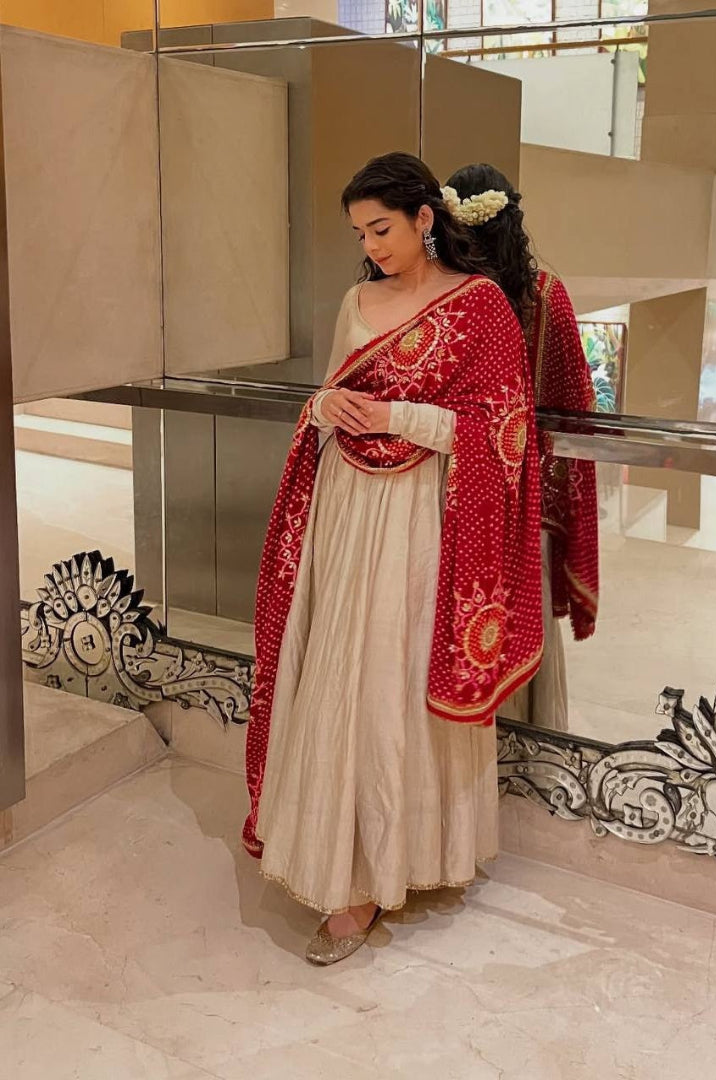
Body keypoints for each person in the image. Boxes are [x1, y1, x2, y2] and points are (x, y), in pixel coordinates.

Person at [243, 152, 543, 966]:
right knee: (341, 671)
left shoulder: (480, 309)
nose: (371, 245)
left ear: (424, 218)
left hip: (422, 519)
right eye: (360, 233)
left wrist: (398, 414)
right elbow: (336, 396)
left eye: (382, 227)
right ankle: (334, 859)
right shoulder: (356, 300)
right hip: (346, 510)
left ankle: (388, 867)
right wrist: (325, 404)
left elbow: (503, 434)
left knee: (393, 676)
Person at [444, 164, 599, 731]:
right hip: (519, 491)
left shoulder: (442, 291)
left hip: (444, 486)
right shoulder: (545, 297)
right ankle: (520, 748)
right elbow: (574, 407)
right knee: (514, 618)